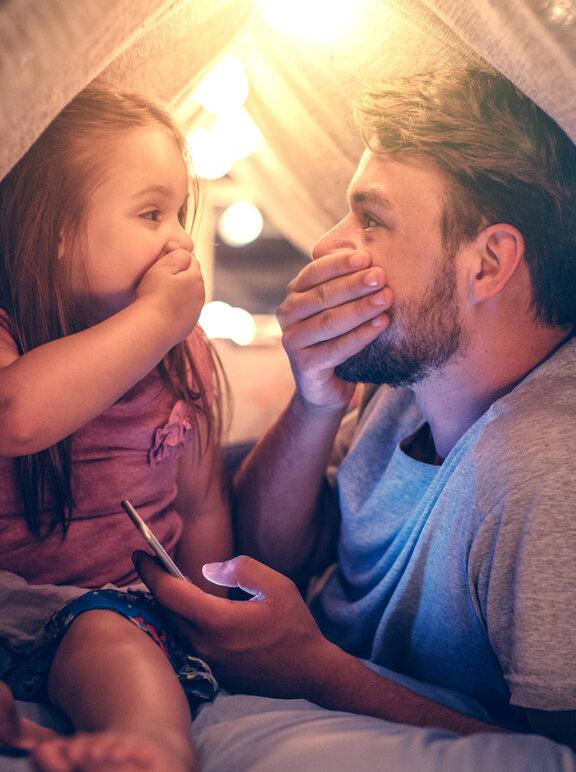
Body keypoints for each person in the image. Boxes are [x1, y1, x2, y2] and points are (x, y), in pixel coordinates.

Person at [135, 67, 576, 753]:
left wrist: (311, 669)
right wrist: (316, 402)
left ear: (488, 264)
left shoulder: (548, 468)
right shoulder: (408, 375)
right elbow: (276, 552)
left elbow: (558, 753)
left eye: (371, 218)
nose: (327, 243)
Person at [0, 83, 233, 771]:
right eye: (152, 212)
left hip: (102, 608)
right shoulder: (9, 332)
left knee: (113, 645)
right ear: (59, 228)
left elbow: (201, 502)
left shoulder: (183, 355)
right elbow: (16, 414)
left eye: (182, 213)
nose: (180, 238)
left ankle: (148, 748)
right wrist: (157, 317)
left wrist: (210, 611)